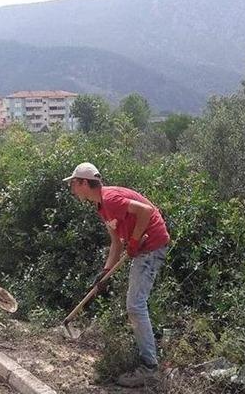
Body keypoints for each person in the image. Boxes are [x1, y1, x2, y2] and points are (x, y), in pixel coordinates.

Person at [64, 162, 170, 388]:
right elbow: (115, 243)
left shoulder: (110, 198)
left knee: (135, 305)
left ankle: (150, 368)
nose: (72, 188)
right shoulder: (102, 206)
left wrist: (134, 240)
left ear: (84, 183)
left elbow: (146, 212)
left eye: (73, 183)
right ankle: (150, 350)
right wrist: (104, 273)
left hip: (151, 246)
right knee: (136, 304)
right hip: (142, 248)